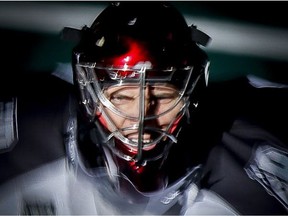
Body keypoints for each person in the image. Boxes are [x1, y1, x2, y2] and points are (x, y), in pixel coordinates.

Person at [0, 1, 287, 215]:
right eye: (122, 96)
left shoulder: (258, 156)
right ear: (89, 95)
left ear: (192, 94)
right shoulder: (21, 140)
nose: (141, 116)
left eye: (161, 95)